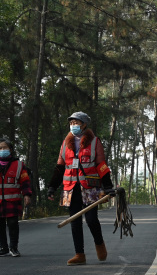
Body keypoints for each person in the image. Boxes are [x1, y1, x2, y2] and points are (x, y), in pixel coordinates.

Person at [47, 111, 114, 265]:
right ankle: (79, 254)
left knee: (91, 220)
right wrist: (52, 187)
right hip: (70, 188)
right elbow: (59, 167)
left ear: (84, 124)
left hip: (90, 187)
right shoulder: (65, 143)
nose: (73, 126)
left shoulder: (95, 142)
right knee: (75, 222)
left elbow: (101, 165)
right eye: (71, 123)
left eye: (76, 123)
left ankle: (99, 244)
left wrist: (108, 187)